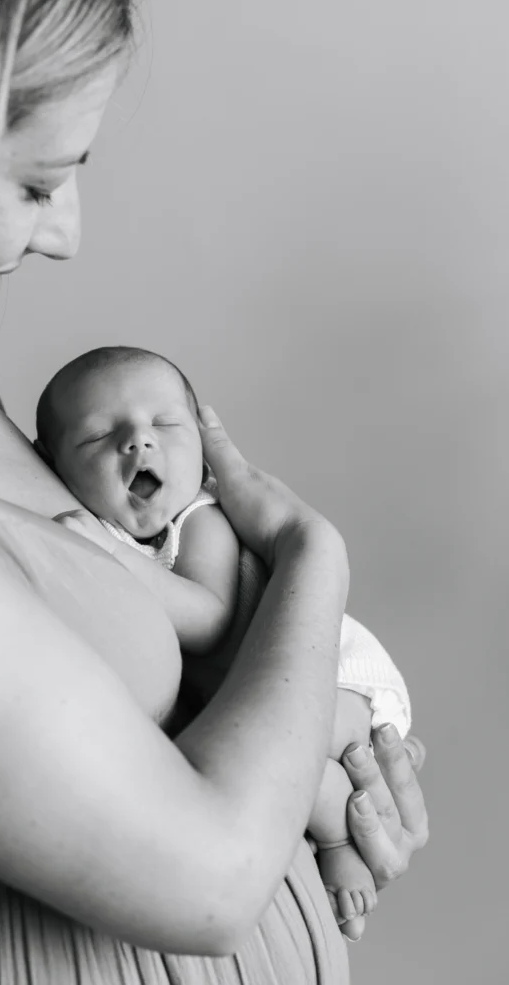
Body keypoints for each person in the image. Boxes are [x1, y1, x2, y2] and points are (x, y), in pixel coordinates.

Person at [0, 0, 428, 982]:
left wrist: (326, 768)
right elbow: (211, 880)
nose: (66, 235)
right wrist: (310, 558)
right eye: (35, 184)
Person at [34, 344, 413, 928]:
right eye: (97, 436)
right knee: (269, 762)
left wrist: (110, 555)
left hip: (334, 673)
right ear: (52, 463)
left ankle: (340, 841)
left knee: (299, 757)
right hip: (257, 689)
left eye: (165, 424)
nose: (138, 442)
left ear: (203, 444)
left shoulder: (198, 520)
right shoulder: (112, 531)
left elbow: (209, 618)